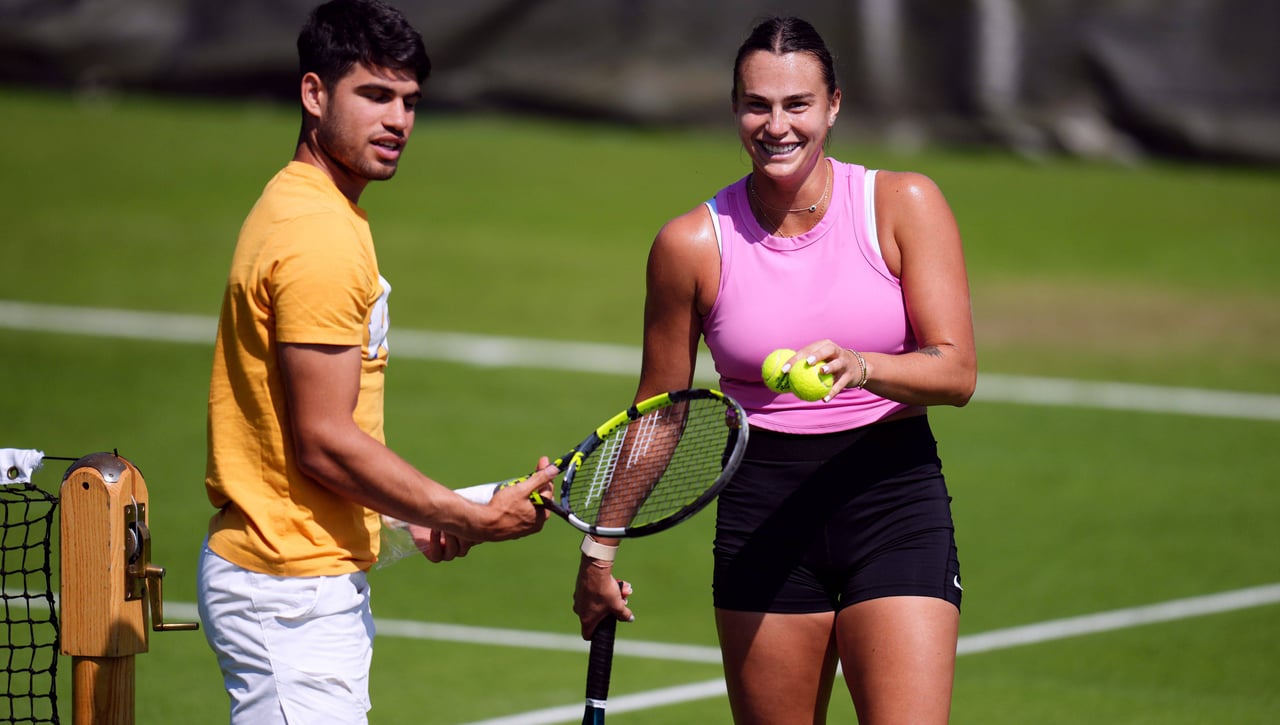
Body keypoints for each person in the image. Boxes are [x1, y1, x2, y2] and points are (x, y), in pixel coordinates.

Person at [572, 16, 976, 724]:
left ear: (834, 106)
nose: (776, 125)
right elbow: (658, 411)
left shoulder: (904, 204)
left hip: (891, 500)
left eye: (797, 105)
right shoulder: (692, 243)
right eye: (758, 104)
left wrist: (864, 365)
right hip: (763, 512)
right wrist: (598, 550)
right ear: (735, 109)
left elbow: (957, 371)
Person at [196, 1, 556, 722]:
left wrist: (411, 518)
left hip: (298, 576)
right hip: (289, 592)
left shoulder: (311, 207)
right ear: (314, 94)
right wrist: (466, 514)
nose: (397, 120)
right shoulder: (320, 235)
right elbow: (324, 441)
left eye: (409, 101)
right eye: (375, 95)